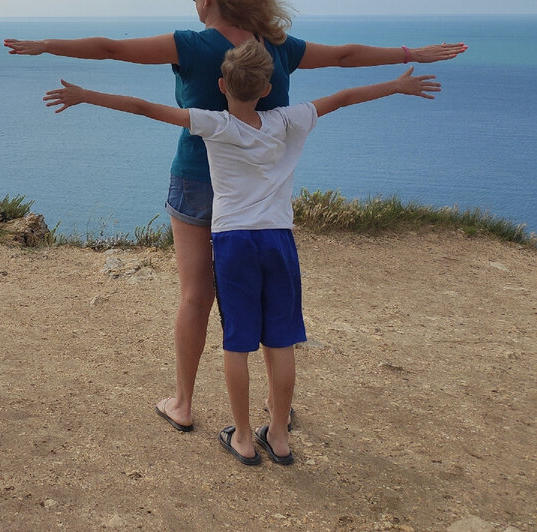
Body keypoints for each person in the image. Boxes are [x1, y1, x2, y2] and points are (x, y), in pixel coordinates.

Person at [4, 0, 466, 432]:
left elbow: (111, 49)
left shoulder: (189, 44)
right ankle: (275, 409)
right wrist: (410, 55)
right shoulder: (278, 47)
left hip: (196, 181)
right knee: (264, 299)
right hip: (257, 197)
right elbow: (346, 57)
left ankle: (183, 403)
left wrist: (45, 46)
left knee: (194, 295)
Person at [43, 39, 442, 465]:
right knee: (282, 339)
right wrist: (396, 87)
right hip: (278, 240)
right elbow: (343, 97)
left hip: (234, 242)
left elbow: (144, 108)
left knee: (237, 343)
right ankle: (281, 438)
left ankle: (245, 439)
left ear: (221, 84)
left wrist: (86, 96)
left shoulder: (214, 124)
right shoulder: (289, 120)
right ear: (267, 88)